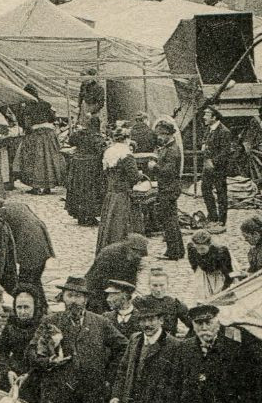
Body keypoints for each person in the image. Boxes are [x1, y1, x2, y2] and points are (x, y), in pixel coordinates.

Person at [41, 277, 125, 403]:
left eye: (78, 296)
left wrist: (107, 375)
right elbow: (32, 353)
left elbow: (123, 347)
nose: (74, 300)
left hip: (88, 397)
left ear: (86, 299)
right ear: (63, 297)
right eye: (70, 295)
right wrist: (49, 361)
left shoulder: (99, 323)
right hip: (59, 396)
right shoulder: (50, 321)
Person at [172, 303, 262, 403]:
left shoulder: (234, 351)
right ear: (193, 325)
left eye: (209, 322)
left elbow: (247, 391)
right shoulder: (183, 349)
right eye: (199, 323)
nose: (204, 327)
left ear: (217, 323)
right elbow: (174, 386)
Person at [107, 297, 186, 403]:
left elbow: (178, 385)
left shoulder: (174, 346)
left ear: (161, 320)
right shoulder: (135, 339)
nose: (147, 325)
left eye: (151, 319)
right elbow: (123, 370)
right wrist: (116, 395)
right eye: (143, 320)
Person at [0, 194, 54, 311]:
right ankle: (43, 308)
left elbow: (3, 241)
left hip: (31, 247)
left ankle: (35, 310)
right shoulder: (17, 205)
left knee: (26, 282)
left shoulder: (2, 213)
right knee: (34, 279)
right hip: (43, 243)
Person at [94, 126, 144, 254]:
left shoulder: (109, 152)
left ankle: (108, 248)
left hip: (111, 194)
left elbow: (105, 174)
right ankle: (123, 251)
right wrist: (140, 175)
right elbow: (133, 176)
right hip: (123, 193)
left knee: (110, 222)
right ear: (127, 139)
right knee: (122, 224)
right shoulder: (126, 154)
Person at [86, 234, 150, 315]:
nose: (138, 256)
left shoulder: (135, 259)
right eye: (136, 253)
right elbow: (98, 279)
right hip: (97, 289)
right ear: (129, 249)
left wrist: (129, 294)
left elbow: (131, 279)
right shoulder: (109, 254)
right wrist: (115, 293)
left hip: (117, 289)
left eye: (140, 254)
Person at [150, 118, 186, 259]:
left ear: (167, 134)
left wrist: (154, 167)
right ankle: (178, 250)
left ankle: (172, 252)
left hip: (169, 188)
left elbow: (168, 171)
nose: (159, 137)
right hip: (169, 187)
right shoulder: (169, 148)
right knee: (172, 219)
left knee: (169, 220)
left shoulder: (171, 150)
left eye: (160, 135)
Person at [15, 86, 60, 193]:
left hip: (36, 135)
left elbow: (26, 124)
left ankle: (36, 186)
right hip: (49, 134)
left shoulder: (27, 107)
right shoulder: (45, 104)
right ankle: (48, 186)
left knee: (34, 160)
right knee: (49, 160)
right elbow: (53, 118)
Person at [64, 114, 106, 226]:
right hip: (90, 167)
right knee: (90, 190)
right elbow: (102, 150)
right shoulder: (97, 137)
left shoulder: (79, 134)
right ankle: (90, 216)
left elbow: (71, 141)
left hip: (77, 166)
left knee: (78, 189)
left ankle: (80, 216)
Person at [200, 109, 238, 226]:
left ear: (214, 117)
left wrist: (213, 161)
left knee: (221, 193)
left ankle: (221, 220)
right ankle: (212, 216)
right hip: (207, 167)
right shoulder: (209, 129)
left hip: (219, 168)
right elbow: (205, 142)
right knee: (205, 189)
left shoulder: (224, 131)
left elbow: (225, 152)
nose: (204, 117)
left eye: (207, 115)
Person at [142, 266, 191, 337]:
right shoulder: (142, 302)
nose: (158, 289)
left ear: (167, 285)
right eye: (155, 285)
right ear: (149, 285)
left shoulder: (175, 304)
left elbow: (193, 324)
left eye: (162, 285)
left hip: (168, 344)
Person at [187, 229, 234, 299]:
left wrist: (224, 289)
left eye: (202, 249)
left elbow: (229, 274)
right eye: (197, 248)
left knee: (220, 295)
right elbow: (194, 266)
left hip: (219, 273)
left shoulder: (221, 252)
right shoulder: (192, 249)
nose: (199, 251)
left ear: (209, 244)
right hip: (203, 272)